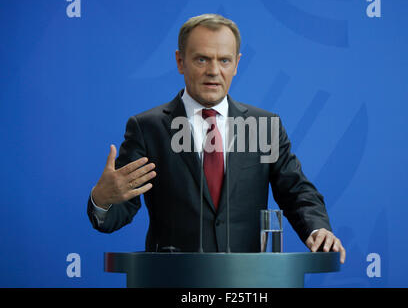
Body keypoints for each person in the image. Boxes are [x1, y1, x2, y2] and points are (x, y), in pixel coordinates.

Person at [87, 14, 346, 263]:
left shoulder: (263, 126)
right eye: (201, 60)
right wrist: (102, 199)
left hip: (248, 283)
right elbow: (118, 211)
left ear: (236, 64)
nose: (213, 71)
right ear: (180, 61)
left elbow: (296, 191)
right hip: (172, 279)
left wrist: (317, 230)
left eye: (224, 60)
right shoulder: (147, 128)